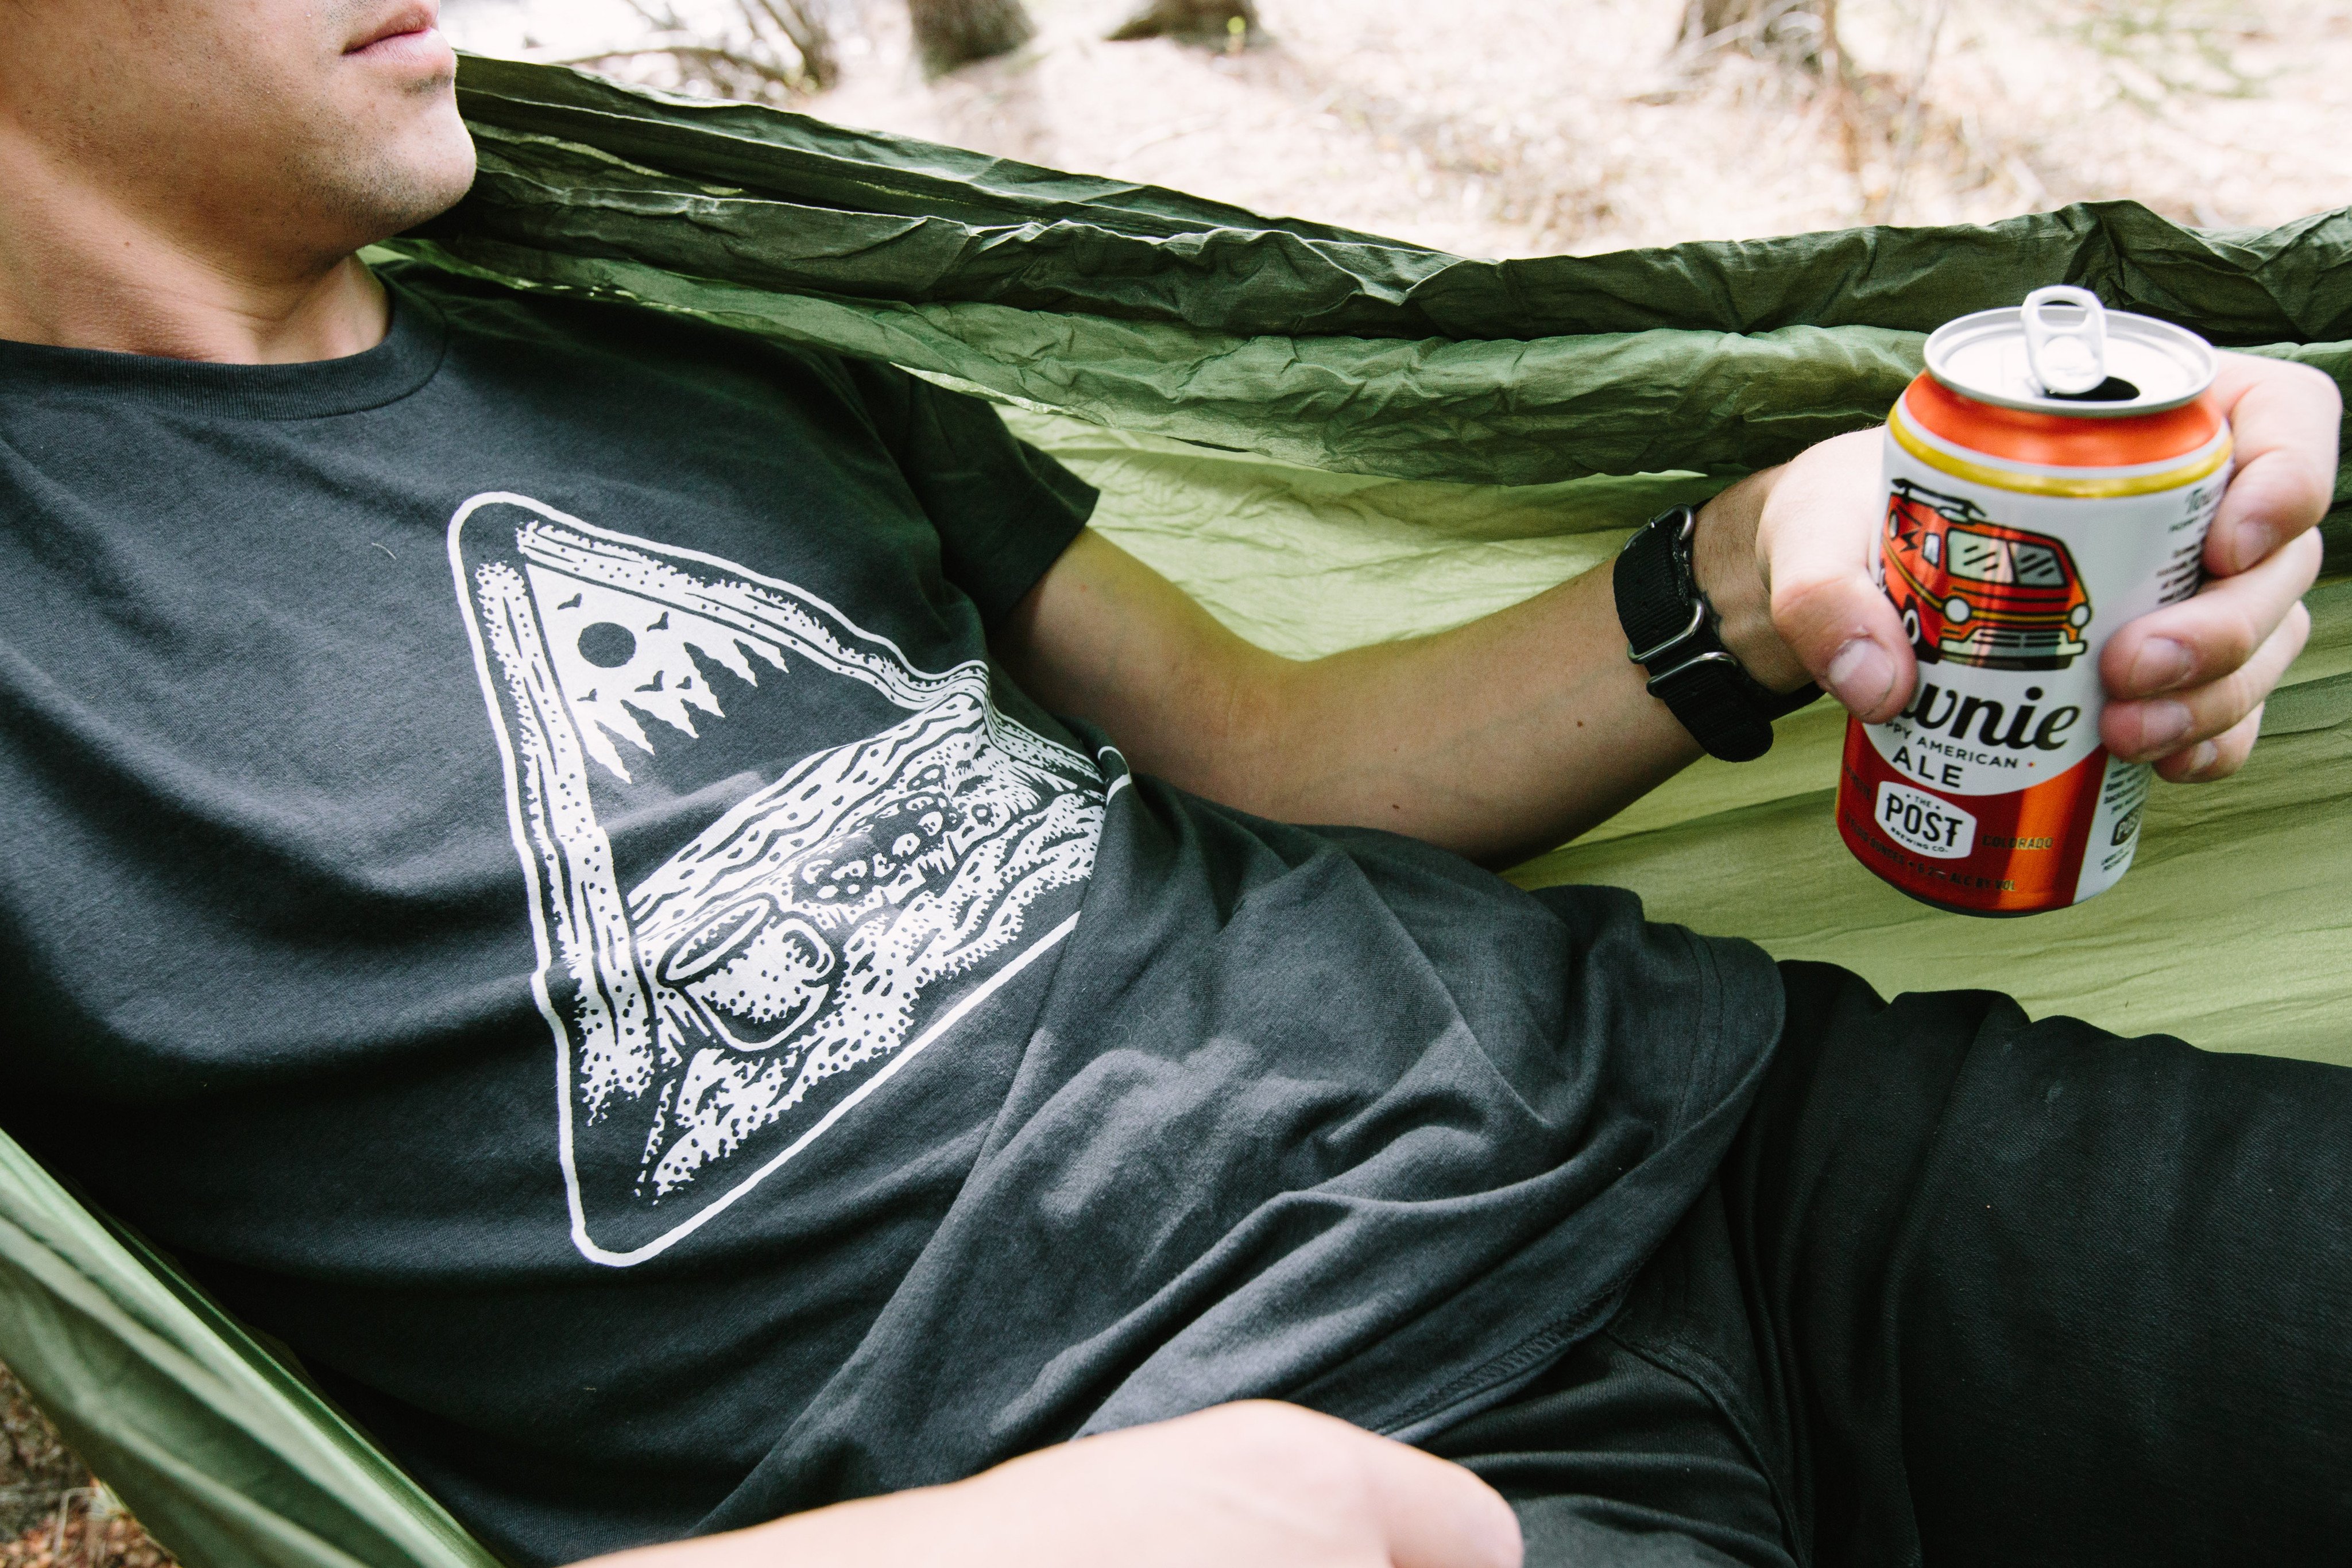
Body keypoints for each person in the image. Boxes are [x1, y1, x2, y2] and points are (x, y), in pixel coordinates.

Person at [0, 3, 2343, 1567]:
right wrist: (1144, 1516)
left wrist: (1753, 563)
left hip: (1734, 1143)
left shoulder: (681, 329)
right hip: (1252, 1479)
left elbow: (1268, 755)